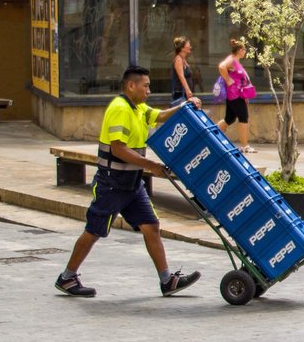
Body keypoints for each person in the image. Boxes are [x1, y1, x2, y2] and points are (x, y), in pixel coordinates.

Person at [54, 66, 203, 298]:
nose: (148, 91)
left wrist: (185, 106)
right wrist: (151, 166)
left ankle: (167, 280)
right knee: (94, 230)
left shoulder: (138, 108)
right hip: (112, 182)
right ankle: (67, 277)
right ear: (131, 86)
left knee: (151, 226)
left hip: (132, 183)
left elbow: (159, 116)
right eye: (145, 86)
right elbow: (118, 148)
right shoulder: (120, 109)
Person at [217, 39, 254, 154]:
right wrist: (228, 80)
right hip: (235, 95)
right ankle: (245, 145)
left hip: (238, 95)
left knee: (229, 118)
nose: (245, 52)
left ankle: (212, 134)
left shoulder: (236, 61)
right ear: (240, 50)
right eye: (244, 49)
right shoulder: (232, 60)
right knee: (243, 118)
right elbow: (221, 66)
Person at [170, 37, 199, 104]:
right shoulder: (178, 59)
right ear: (182, 48)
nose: (190, 47)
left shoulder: (184, 60)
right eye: (188, 46)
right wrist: (187, 90)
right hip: (180, 93)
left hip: (185, 93)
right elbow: (181, 76)